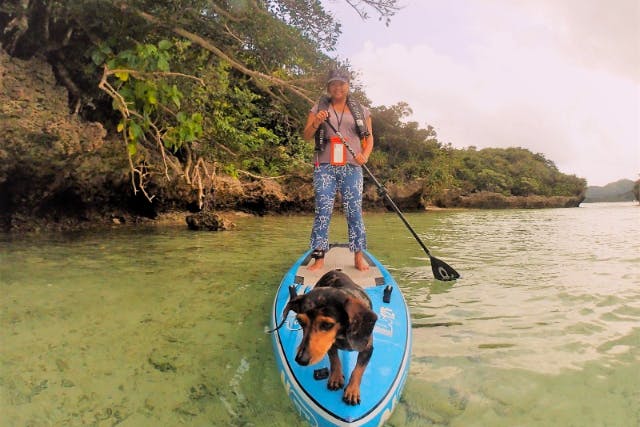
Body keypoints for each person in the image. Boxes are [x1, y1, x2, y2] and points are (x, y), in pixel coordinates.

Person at [302, 69, 374, 271]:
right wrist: (317, 121)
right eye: (333, 84)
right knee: (323, 210)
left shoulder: (362, 110)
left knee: (354, 211)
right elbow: (306, 135)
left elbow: (368, 139)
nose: (337, 88)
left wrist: (365, 156)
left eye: (341, 84)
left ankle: (358, 256)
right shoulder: (318, 107)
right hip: (324, 166)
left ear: (348, 86)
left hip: (352, 166)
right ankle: (319, 258)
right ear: (328, 87)